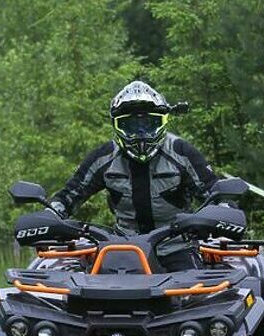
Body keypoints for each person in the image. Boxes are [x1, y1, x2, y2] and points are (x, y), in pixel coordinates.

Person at [49, 80, 220, 272]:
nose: (141, 133)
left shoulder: (181, 152)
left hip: (175, 248)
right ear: (116, 125)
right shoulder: (104, 156)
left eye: (149, 123)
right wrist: (50, 215)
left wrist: (221, 213)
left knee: (194, 296)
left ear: (163, 121)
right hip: (121, 248)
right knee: (91, 297)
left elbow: (215, 193)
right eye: (130, 125)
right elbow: (69, 195)